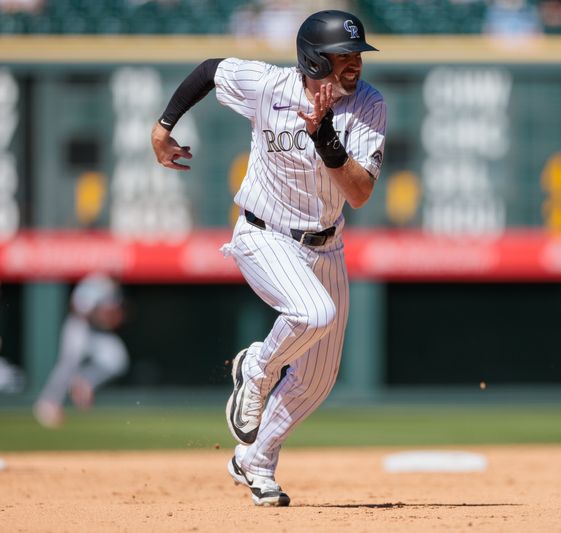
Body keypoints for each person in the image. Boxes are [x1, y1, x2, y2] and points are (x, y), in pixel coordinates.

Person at [150, 10, 386, 507]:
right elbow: (211, 70)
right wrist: (163, 126)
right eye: (341, 56)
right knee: (313, 314)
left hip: (327, 244)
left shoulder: (369, 105)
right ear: (311, 58)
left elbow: (360, 193)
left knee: (318, 379)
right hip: (264, 232)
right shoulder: (267, 84)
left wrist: (325, 137)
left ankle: (253, 460)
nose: (353, 65)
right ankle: (255, 367)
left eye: (356, 55)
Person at [33, 273, 129, 428]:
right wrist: (100, 317)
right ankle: (47, 403)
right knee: (68, 365)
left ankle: (84, 381)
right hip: (79, 327)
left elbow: (113, 315)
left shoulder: (114, 289)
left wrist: (111, 318)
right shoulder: (96, 282)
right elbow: (77, 307)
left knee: (117, 360)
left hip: (98, 333)